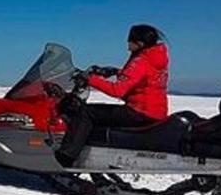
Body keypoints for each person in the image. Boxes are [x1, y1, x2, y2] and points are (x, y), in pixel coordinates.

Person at [55, 24, 170, 167]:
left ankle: (66, 156)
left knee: (86, 112)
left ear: (139, 43)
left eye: (130, 42)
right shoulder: (155, 58)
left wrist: (89, 79)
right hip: (155, 112)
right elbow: (140, 79)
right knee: (98, 113)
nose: (128, 46)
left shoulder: (141, 60)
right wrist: (114, 71)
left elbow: (118, 90)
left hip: (139, 112)